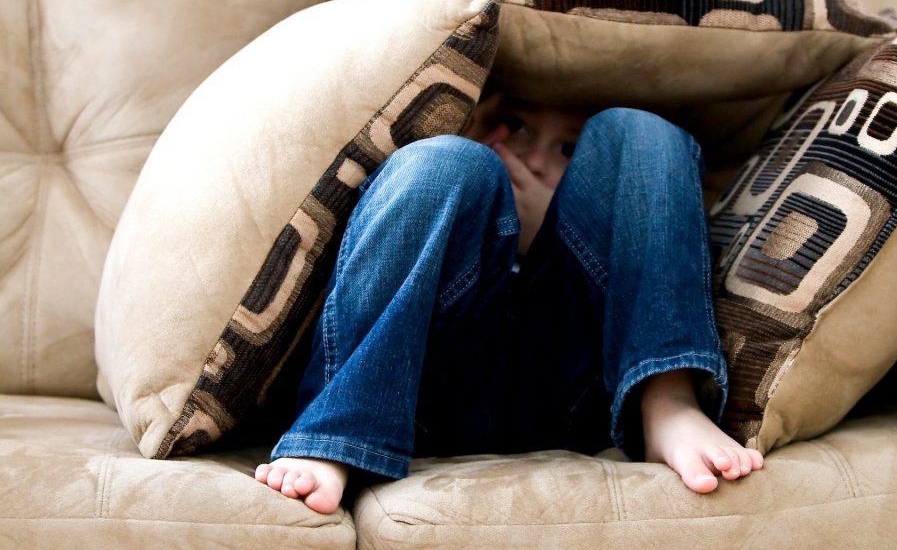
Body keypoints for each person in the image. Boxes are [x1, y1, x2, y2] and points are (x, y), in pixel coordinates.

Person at [254, 91, 764, 514]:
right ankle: (339, 434)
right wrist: (486, 191)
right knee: (442, 163)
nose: (537, 159)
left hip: (574, 391)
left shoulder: (604, 195)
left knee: (641, 130)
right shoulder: (470, 174)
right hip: (424, 390)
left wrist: (548, 228)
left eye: (569, 149)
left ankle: (666, 397)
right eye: (516, 127)